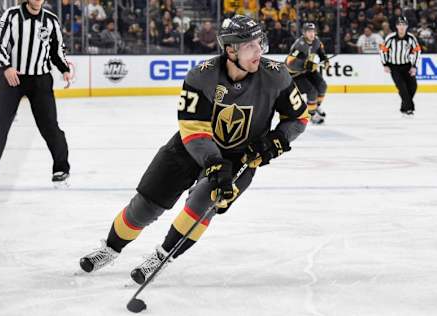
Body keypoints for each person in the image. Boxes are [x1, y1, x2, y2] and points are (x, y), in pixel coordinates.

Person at [79, 15, 310, 285]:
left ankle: (163, 255)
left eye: (260, 43)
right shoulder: (202, 76)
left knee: (204, 203)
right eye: (250, 45)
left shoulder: (276, 74)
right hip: (191, 148)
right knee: (144, 207)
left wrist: (277, 140)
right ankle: (110, 248)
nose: (259, 50)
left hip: (241, 158)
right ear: (230, 49)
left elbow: (299, 118)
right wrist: (213, 161)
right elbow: (193, 128)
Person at [0, 0, 72, 185]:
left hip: (40, 81)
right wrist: (6, 67)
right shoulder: (11, 16)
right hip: (12, 78)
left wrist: (64, 69)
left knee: (49, 126)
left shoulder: (51, 20)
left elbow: (57, 50)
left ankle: (61, 168)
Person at [285, 23, 329, 125]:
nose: (312, 34)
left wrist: (325, 61)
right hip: (295, 74)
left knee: (322, 86)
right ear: (304, 33)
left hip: (307, 70)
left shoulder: (317, 41)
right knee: (312, 91)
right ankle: (312, 114)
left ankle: (315, 106)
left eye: (313, 31)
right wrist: (305, 65)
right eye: (309, 32)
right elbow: (289, 63)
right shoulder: (299, 45)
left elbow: (321, 53)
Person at [380, 16, 421, 116]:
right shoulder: (390, 38)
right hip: (394, 67)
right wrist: (385, 64)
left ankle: (404, 107)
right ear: (396, 26)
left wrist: (414, 66)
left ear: (407, 26)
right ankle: (409, 109)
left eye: (403, 25)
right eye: (399, 25)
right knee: (402, 88)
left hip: (407, 66)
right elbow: (383, 51)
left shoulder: (411, 38)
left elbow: (417, 51)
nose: (401, 27)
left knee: (413, 87)